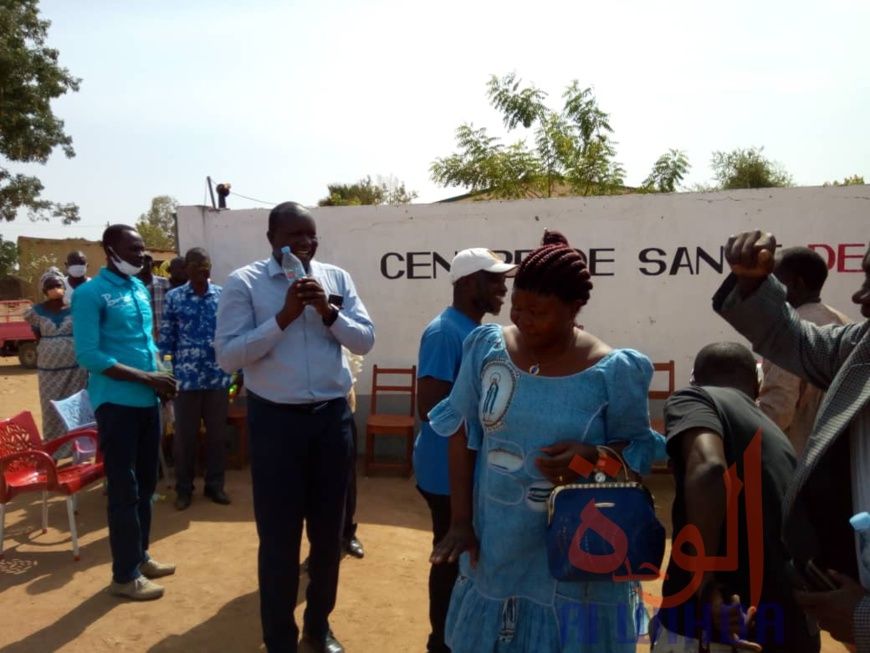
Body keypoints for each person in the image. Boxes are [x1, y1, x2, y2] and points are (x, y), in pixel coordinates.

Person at [429, 230, 665, 653]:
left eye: (538, 312)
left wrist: (593, 455)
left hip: (578, 556)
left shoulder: (613, 372)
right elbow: (462, 433)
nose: (524, 320)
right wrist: (461, 521)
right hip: (498, 545)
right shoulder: (486, 348)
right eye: (518, 307)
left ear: (574, 309)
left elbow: (638, 455)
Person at [215, 201, 375, 653]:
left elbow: (365, 339)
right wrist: (283, 317)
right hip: (276, 424)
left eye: (310, 234)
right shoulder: (244, 283)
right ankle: (280, 638)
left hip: (330, 421)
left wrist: (328, 312)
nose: (304, 243)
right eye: (293, 235)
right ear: (272, 239)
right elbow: (228, 356)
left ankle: (318, 627)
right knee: (279, 540)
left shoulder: (336, 279)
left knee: (328, 537)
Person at [714, 231, 870, 650]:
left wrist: (864, 618)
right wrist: (752, 283)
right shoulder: (860, 344)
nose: (860, 297)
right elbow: (793, 341)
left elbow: (777, 407)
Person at [651, 342, 819, 652]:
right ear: (757, 387)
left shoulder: (697, 399)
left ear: (695, 379)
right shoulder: (779, 439)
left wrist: (704, 583)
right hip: (787, 626)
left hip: (716, 627)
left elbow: (709, 468)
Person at [414, 247, 516, 653]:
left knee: (462, 558)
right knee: (451, 557)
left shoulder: (472, 329)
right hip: (445, 472)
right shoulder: (445, 332)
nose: (503, 288)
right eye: (495, 280)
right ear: (470, 282)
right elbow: (430, 407)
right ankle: (440, 642)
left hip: (465, 469)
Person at [72, 224, 178, 601]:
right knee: (124, 490)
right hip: (116, 404)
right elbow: (89, 355)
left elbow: (145, 343)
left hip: (148, 402)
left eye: (142, 248)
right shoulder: (89, 294)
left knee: (146, 487)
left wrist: (160, 380)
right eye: (133, 248)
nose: (140, 255)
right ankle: (124, 575)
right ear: (110, 250)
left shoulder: (137, 288)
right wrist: (148, 378)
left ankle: (140, 556)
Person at [757, 247, 850, 457]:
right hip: (840, 456)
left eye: (774, 280)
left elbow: (777, 411)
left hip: (800, 458)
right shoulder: (843, 322)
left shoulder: (788, 332)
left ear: (797, 284)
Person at [159, 247, 231, 511]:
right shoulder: (174, 297)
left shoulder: (222, 296)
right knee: (184, 438)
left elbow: (231, 334)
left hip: (217, 377)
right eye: (197, 265)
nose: (202, 270)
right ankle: (184, 489)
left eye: (206, 265)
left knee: (217, 436)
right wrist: (166, 375)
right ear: (186, 268)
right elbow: (166, 339)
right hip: (186, 380)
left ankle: (215, 486)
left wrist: (237, 372)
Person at [24, 268, 88, 449]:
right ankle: (55, 448)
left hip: (75, 369)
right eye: (50, 286)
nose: (55, 289)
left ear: (64, 287)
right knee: (51, 408)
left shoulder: (75, 308)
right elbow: (38, 335)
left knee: (75, 407)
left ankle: (78, 448)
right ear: (44, 290)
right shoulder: (35, 312)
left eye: (58, 285)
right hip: (48, 371)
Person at [137, 253, 170, 340]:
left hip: (162, 336)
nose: (144, 263)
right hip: (142, 336)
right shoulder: (132, 286)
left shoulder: (164, 283)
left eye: (147, 260)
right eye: (142, 260)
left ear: (152, 264)